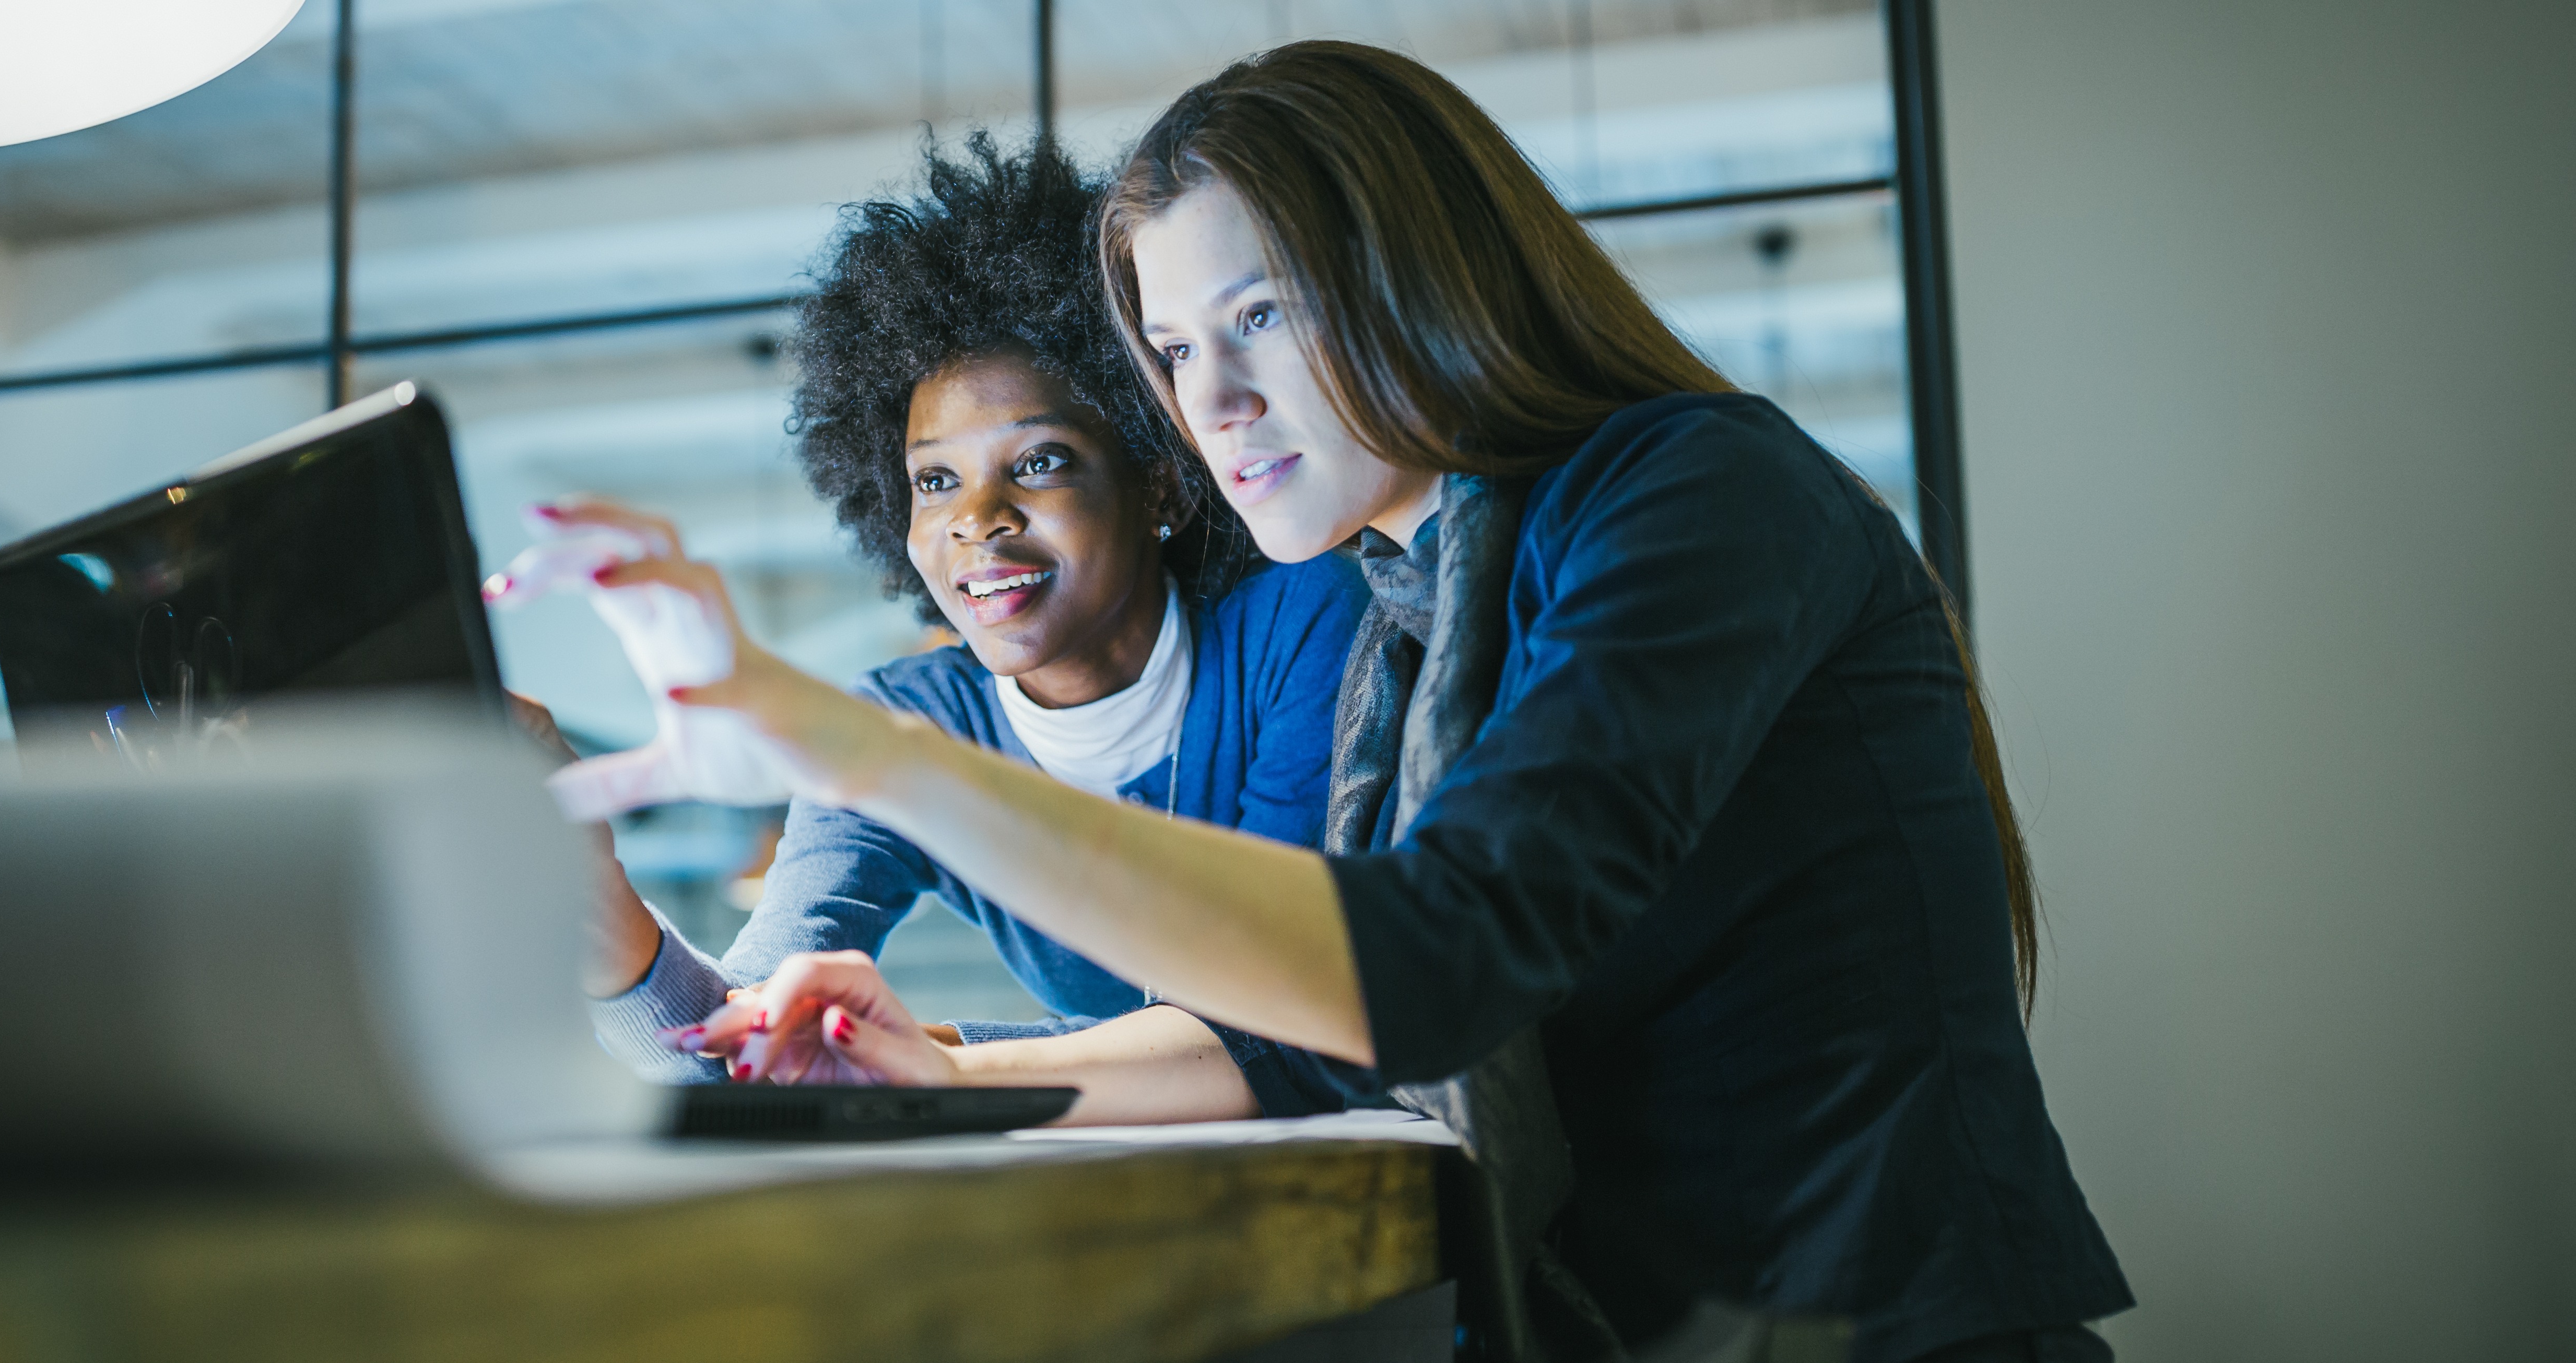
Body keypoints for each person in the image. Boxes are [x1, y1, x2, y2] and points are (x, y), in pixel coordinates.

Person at [554, 43, 2131, 1363]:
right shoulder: (1407, 609)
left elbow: (1432, 963)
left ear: (1418, 271)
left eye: (1261, 317)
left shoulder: (1698, 490)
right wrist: (949, 1075)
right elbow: (1322, 1048)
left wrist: (869, 754)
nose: (1213, 404)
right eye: (1173, 347)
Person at [555, 135, 1372, 1125]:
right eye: (935, 480)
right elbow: (748, 1056)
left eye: (1039, 463)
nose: (974, 520)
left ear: (1161, 474)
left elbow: (1301, 1024)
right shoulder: (905, 726)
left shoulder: (1305, 624)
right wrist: (596, 901)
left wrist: (939, 1060)